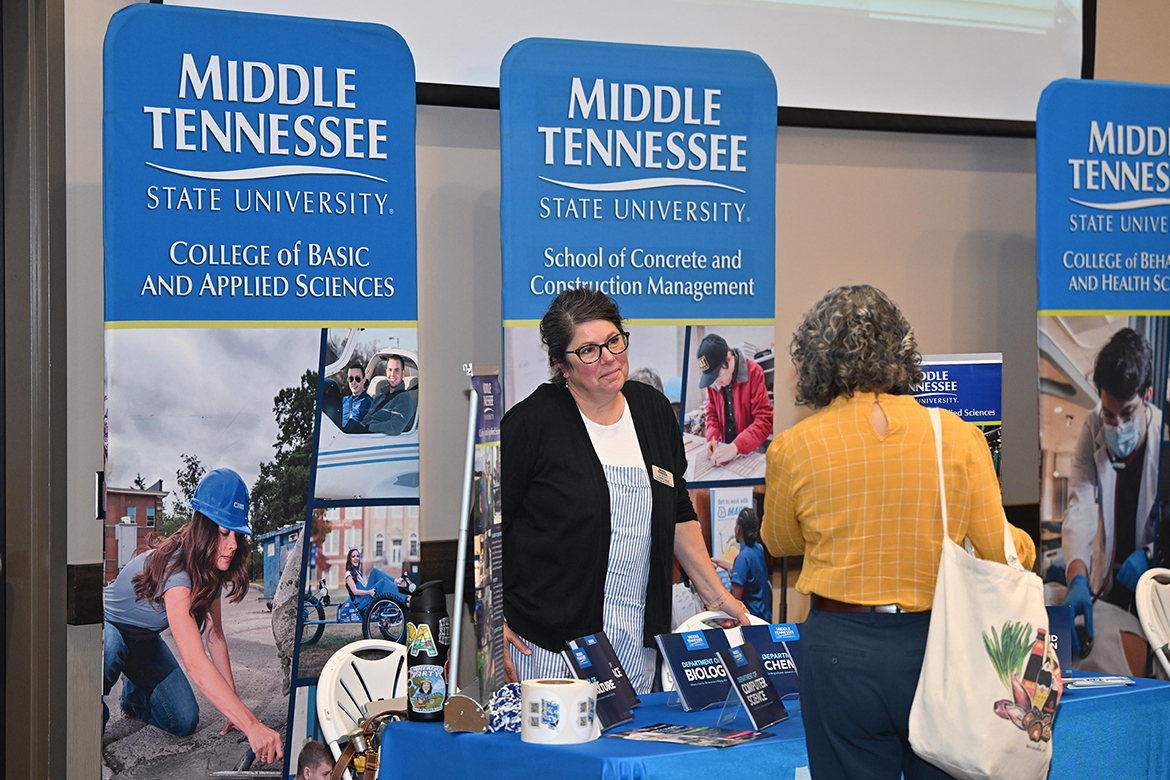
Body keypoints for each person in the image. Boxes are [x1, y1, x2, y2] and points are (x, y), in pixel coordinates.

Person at [761, 285, 1035, 780]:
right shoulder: (957, 435)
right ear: (901, 349)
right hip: (939, 647)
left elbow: (780, 542)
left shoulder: (792, 447)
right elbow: (1003, 554)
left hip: (840, 652)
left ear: (815, 360)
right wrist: (1018, 541)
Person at [501, 288, 750, 695]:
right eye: (588, 351)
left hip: (637, 645)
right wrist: (494, 623)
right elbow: (488, 531)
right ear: (562, 364)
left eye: (614, 340)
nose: (609, 357)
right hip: (548, 652)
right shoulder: (530, 426)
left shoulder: (651, 411)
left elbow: (677, 512)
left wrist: (717, 596)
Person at [103, 468, 284, 765]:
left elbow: (215, 637)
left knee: (183, 721)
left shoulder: (208, 569)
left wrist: (234, 709)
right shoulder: (177, 572)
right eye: (225, 533)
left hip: (143, 641)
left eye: (238, 534)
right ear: (204, 528)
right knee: (111, 646)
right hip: (106, 627)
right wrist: (252, 725)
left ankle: (134, 697)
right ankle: (90, 712)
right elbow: (196, 664)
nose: (234, 544)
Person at [1061, 327, 1159, 674]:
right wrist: (1076, 578)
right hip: (1107, 579)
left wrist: (1150, 557)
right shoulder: (1091, 429)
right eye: (1109, 413)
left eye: (1128, 414)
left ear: (1146, 395)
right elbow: (1080, 506)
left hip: (1155, 578)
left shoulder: (1164, 439)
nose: (1116, 425)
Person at [697, 333, 773, 468]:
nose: (717, 385)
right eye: (712, 380)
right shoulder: (714, 383)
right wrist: (712, 439)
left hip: (749, 451)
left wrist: (736, 447)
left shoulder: (754, 372)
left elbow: (764, 421)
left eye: (719, 375)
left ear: (729, 357)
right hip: (723, 451)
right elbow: (712, 415)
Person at [711, 507, 772, 623]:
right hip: (764, 615)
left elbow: (736, 601)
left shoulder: (742, 558)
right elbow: (745, 571)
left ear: (738, 529)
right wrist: (718, 562)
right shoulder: (758, 549)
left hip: (750, 619)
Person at [343, 548, 409, 612]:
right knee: (384, 582)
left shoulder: (357, 572)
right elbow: (355, 592)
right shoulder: (348, 574)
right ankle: (405, 597)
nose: (356, 558)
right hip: (362, 601)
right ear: (350, 559)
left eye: (357, 556)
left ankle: (397, 581)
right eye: (353, 556)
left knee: (374, 571)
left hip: (365, 596)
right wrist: (369, 592)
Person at [365, 354, 415, 435]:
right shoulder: (379, 397)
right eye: (390, 370)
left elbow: (395, 427)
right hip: (367, 436)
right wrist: (360, 427)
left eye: (397, 370)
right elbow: (367, 418)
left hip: (380, 441)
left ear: (403, 373)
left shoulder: (404, 399)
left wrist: (370, 427)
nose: (392, 374)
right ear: (386, 372)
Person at [342, 361, 372, 427]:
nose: (354, 382)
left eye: (357, 379)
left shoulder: (368, 402)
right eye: (351, 379)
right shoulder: (344, 400)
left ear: (364, 380)